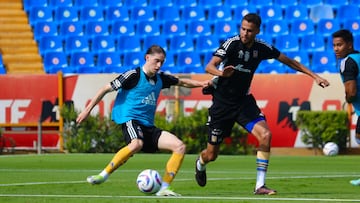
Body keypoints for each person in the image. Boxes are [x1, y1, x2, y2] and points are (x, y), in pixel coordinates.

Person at [195, 13, 330, 195]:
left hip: (243, 102)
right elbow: (209, 66)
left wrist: (315, 76)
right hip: (222, 104)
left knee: (265, 135)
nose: (245, 33)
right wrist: (221, 74)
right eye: (243, 29)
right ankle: (200, 164)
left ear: (257, 31)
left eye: (249, 31)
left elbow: (289, 61)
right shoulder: (231, 44)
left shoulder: (262, 48)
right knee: (211, 155)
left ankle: (260, 185)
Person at [76, 45, 209, 196]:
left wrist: (203, 83)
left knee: (179, 147)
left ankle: (164, 188)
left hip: (148, 126)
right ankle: (102, 175)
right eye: (156, 61)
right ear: (147, 58)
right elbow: (105, 88)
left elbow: (182, 82)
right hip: (130, 119)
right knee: (136, 144)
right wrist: (87, 110)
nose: (159, 65)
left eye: (162, 62)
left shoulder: (160, 78)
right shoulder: (133, 75)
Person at [331, 29, 360, 186]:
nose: (336, 49)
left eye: (339, 45)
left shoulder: (347, 62)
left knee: (359, 138)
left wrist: (348, 98)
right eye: (334, 45)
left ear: (349, 45)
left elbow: (352, 91)